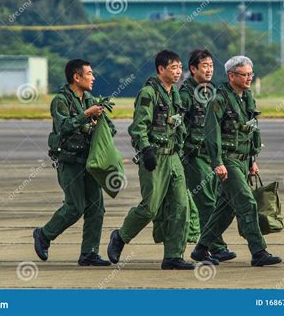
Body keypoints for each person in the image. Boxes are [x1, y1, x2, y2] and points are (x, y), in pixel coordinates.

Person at [107, 50, 195, 270]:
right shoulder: (148, 93)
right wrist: (146, 150)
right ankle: (120, 236)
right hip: (155, 157)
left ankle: (173, 255)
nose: (178, 72)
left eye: (179, 67)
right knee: (150, 208)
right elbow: (138, 127)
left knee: (180, 207)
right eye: (173, 68)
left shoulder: (175, 94)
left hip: (173, 156)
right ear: (161, 69)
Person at [190, 56, 282, 267]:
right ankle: (258, 251)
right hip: (228, 161)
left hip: (243, 160)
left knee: (225, 209)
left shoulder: (247, 97)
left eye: (251, 74)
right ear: (231, 76)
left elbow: (252, 129)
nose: (249, 78)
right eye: (244, 74)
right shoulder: (219, 99)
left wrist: (252, 159)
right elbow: (211, 134)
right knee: (247, 203)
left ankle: (201, 248)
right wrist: (217, 163)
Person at [33, 59, 116, 267]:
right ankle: (44, 234)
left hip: (89, 162)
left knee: (96, 208)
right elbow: (63, 126)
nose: (93, 77)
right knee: (75, 207)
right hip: (69, 162)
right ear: (76, 77)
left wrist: (98, 121)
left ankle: (89, 253)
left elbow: (110, 129)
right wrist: (86, 116)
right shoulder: (60, 100)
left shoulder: (90, 99)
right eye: (89, 74)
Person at [180, 49, 236, 263]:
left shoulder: (212, 91)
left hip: (213, 155)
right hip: (194, 155)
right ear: (193, 69)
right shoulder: (185, 94)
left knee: (219, 201)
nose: (209, 69)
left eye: (211, 65)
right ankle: (216, 247)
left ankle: (206, 247)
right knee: (206, 202)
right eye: (204, 65)